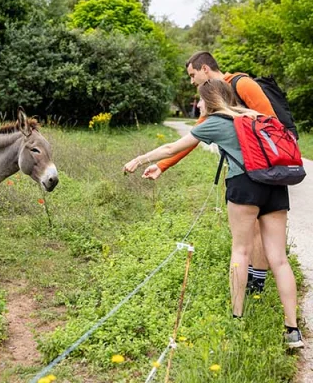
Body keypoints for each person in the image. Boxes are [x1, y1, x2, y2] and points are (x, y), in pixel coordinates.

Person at [123, 79, 303, 348]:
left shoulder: (217, 122)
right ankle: (293, 331)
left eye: (200, 101)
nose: (198, 105)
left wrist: (139, 160)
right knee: (278, 259)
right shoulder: (255, 116)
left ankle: (237, 317)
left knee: (240, 251)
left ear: (208, 101)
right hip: (276, 185)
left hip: (245, 186)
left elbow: (173, 147)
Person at [145, 51, 275, 294]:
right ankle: (253, 283)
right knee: (251, 227)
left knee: (260, 226)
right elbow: (192, 139)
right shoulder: (212, 99)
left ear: (205, 69)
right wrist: (163, 165)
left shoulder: (243, 84)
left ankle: (258, 282)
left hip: (266, 170)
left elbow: (272, 123)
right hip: (240, 171)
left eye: (193, 75)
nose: (192, 81)